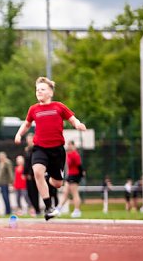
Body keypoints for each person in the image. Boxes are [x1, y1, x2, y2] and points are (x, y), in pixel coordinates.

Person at [13, 77, 87, 221]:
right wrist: (18, 134)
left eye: (42, 89)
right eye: (37, 90)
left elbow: (72, 119)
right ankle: (48, 206)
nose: (39, 92)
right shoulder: (33, 109)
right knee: (37, 172)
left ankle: (49, 177)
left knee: (58, 183)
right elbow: (27, 125)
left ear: (50, 93)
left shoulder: (58, 107)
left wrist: (78, 125)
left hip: (57, 150)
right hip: (40, 148)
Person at [62, 140, 83, 217]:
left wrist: (81, 175)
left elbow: (79, 166)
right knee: (65, 192)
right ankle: (59, 208)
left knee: (75, 193)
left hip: (75, 175)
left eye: (71, 145)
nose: (69, 146)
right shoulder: (68, 154)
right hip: (69, 175)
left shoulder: (75, 154)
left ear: (74, 146)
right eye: (68, 145)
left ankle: (77, 210)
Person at [23, 134, 41, 215]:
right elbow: (26, 163)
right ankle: (34, 208)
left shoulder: (35, 149)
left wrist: (31, 173)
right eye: (27, 139)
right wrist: (25, 173)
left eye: (29, 139)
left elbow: (33, 162)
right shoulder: (27, 150)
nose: (28, 140)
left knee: (34, 193)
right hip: (28, 175)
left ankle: (37, 210)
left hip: (34, 174)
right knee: (29, 193)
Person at [0, 151, 14, 215]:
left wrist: (10, 183)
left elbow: (10, 173)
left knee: (6, 197)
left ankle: (8, 211)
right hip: (1, 183)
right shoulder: (1, 163)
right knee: (4, 197)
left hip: (5, 183)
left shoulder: (7, 162)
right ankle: (6, 211)